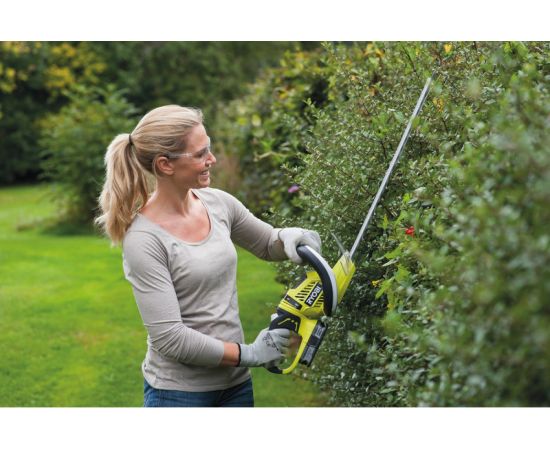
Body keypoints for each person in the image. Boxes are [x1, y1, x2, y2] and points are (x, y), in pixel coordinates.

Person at [94, 105, 322, 407]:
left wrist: (289, 237)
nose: (212, 159)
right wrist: (248, 353)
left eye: (209, 149)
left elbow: (267, 243)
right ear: (165, 164)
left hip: (236, 386)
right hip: (178, 395)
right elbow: (170, 337)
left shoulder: (217, 203)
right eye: (201, 154)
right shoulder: (144, 240)